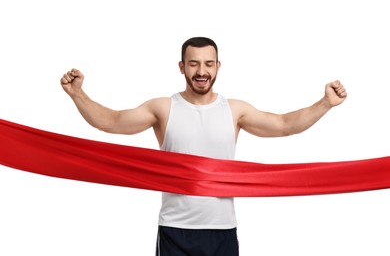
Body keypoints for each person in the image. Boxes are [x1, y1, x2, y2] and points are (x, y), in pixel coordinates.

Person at [60, 37, 347, 256]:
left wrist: (325, 103)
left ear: (217, 67)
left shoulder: (235, 111)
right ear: (182, 67)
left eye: (208, 63)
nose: (201, 71)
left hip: (222, 231)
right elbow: (109, 121)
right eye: (194, 63)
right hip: (175, 231)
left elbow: (284, 124)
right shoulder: (163, 108)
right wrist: (78, 94)